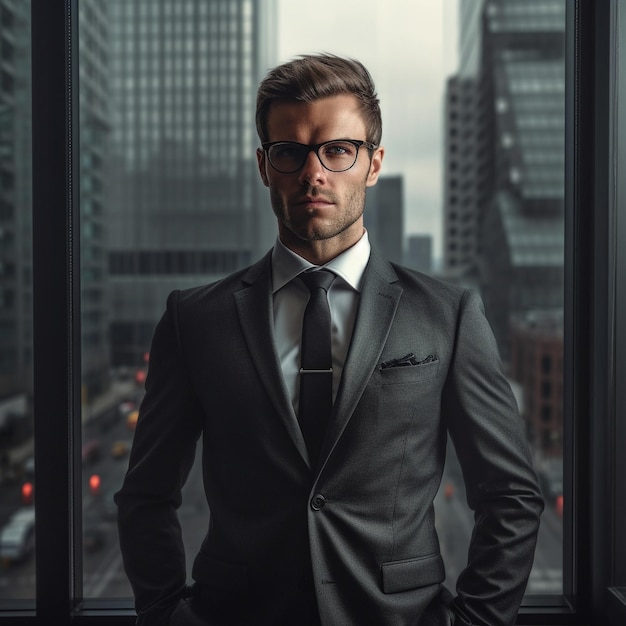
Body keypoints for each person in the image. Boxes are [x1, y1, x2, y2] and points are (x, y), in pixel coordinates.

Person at [115, 53, 544, 626]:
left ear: (373, 164)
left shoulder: (448, 314)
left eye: (337, 150)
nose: (313, 173)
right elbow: (146, 496)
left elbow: (511, 497)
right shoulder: (195, 319)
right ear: (266, 166)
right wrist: (164, 613)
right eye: (290, 152)